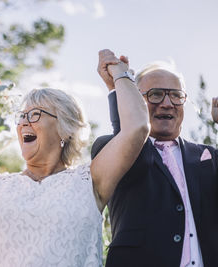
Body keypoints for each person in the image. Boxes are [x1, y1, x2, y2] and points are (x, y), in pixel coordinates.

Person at [0, 49, 149, 266]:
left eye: (35, 114)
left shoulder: (90, 180)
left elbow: (137, 127)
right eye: (22, 116)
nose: (25, 122)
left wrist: (119, 74)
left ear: (65, 129)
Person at [93, 57, 218, 266]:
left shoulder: (209, 157)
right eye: (156, 94)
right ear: (135, 101)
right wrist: (119, 83)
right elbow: (131, 140)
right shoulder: (108, 148)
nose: (167, 104)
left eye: (176, 96)